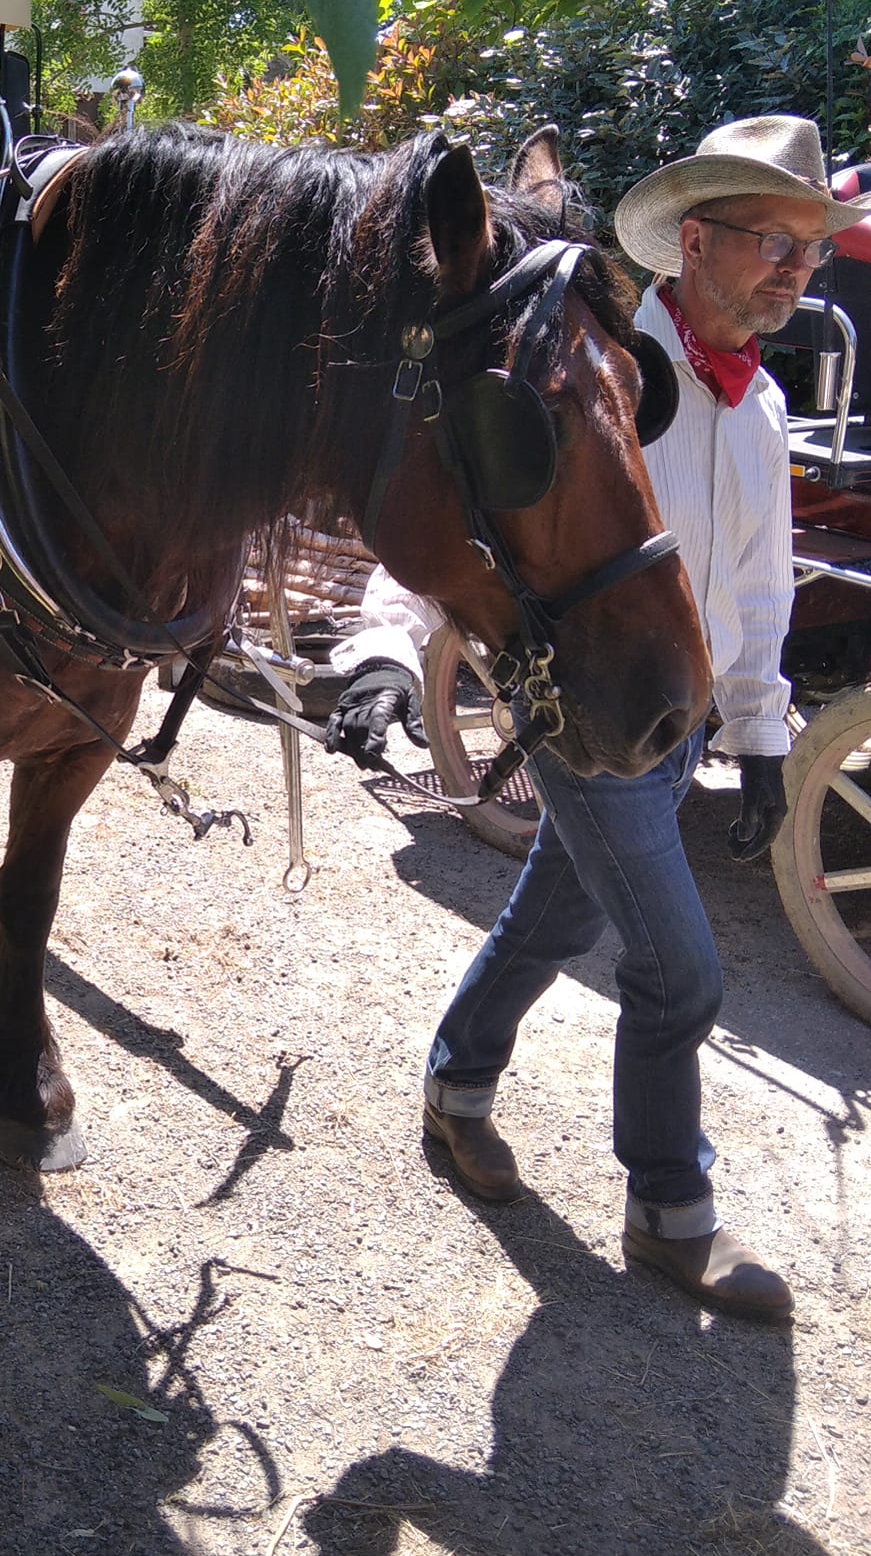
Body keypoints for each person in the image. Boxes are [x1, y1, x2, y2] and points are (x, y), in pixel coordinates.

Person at [329, 116, 871, 1321]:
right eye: (770, 241)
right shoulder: (596, 364)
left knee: (548, 915)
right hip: (580, 718)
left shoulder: (763, 401)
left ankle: (454, 1083)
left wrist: (765, 742)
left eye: (808, 248)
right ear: (692, 241)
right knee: (678, 972)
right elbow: (454, 500)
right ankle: (670, 1208)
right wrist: (375, 649)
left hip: (671, 728)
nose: (795, 268)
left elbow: (760, 591)